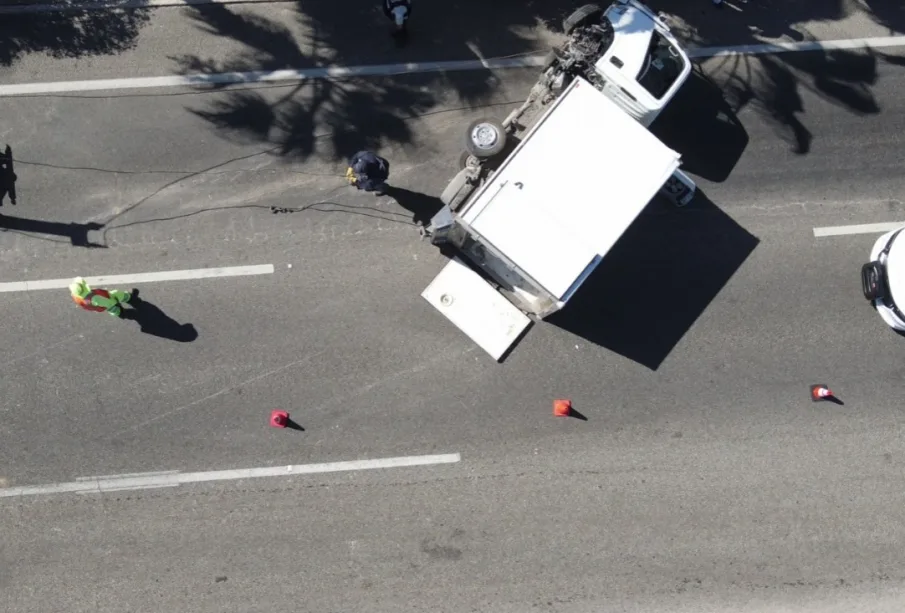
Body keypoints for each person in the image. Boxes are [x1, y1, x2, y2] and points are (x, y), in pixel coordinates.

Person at [69, 277, 133, 318]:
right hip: (107, 299)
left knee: (112, 309)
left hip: (96, 306)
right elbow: (108, 303)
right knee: (116, 294)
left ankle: (117, 312)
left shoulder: (76, 296)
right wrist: (114, 302)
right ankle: (127, 297)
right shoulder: (95, 298)